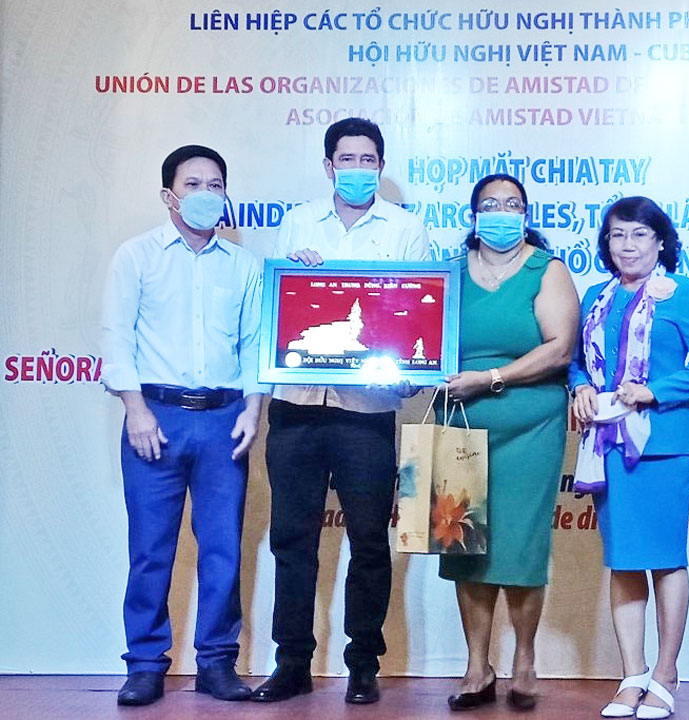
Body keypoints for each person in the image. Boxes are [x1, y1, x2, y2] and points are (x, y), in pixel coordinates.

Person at [252, 118, 429, 705]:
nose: (358, 169)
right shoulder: (297, 224)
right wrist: (295, 279)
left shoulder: (407, 230)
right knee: (292, 540)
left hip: (368, 411)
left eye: (368, 159)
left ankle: (362, 663)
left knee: (370, 543)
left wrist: (412, 368)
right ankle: (292, 662)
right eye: (347, 159)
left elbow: (411, 315)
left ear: (380, 165)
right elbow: (279, 312)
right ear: (329, 166)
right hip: (297, 409)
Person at [101, 145, 265, 706]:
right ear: (170, 195)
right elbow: (116, 336)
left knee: (222, 547)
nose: (206, 193)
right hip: (156, 418)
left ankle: (217, 664)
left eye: (215, 184)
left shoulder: (244, 266)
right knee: (151, 549)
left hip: (223, 420)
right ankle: (145, 663)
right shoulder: (136, 256)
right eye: (193, 183)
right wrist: (135, 408)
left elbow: (253, 345)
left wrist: (252, 408)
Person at [568, 197, 689, 719]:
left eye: (639, 234)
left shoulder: (681, 294)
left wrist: (654, 391)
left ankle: (666, 672)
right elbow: (576, 365)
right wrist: (581, 389)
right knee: (625, 559)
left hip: (662, 445)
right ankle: (631, 674)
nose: (628, 245)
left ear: (661, 241)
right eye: (617, 235)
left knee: (666, 558)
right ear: (606, 244)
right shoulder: (595, 297)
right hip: (607, 445)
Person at [440, 174, 579, 712]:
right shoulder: (449, 274)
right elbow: (418, 337)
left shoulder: (548, 270)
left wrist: (491, 378)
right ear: (473, 214)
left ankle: (524, 660)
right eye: (490, 204)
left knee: (519, 545)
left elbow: (560, 348)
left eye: (513, 204)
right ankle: (477, 667)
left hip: (531, 425)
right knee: (463, 546)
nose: (502, 212)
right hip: (460, 425)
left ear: (527, 213)